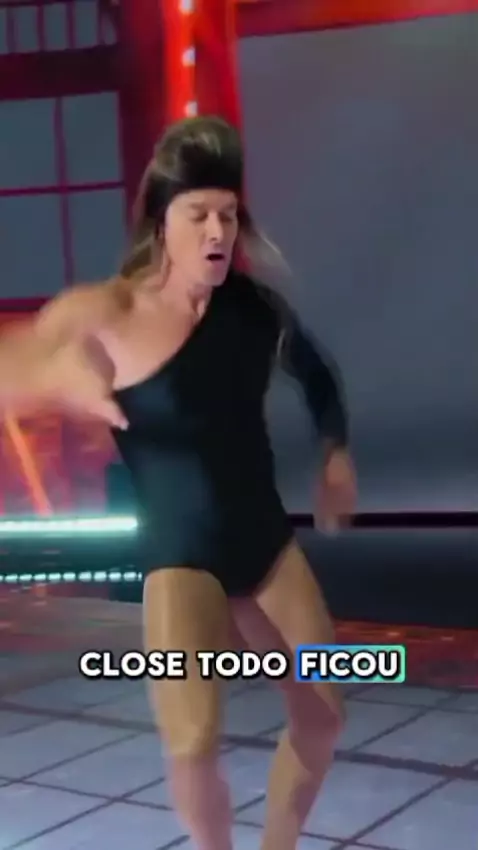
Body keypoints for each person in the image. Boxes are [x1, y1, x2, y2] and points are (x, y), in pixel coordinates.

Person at [0, 116, 356, 850]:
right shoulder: (110, 310)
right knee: (191, 743)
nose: (217, 231)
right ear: (163, 221)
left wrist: (335, 454)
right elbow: (27, 355)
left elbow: (318, 376)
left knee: (323, 718)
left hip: (264, 545)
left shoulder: (254, 312)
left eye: (227, 214)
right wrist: (59, 377)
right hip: (180, 554)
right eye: (199, 215)